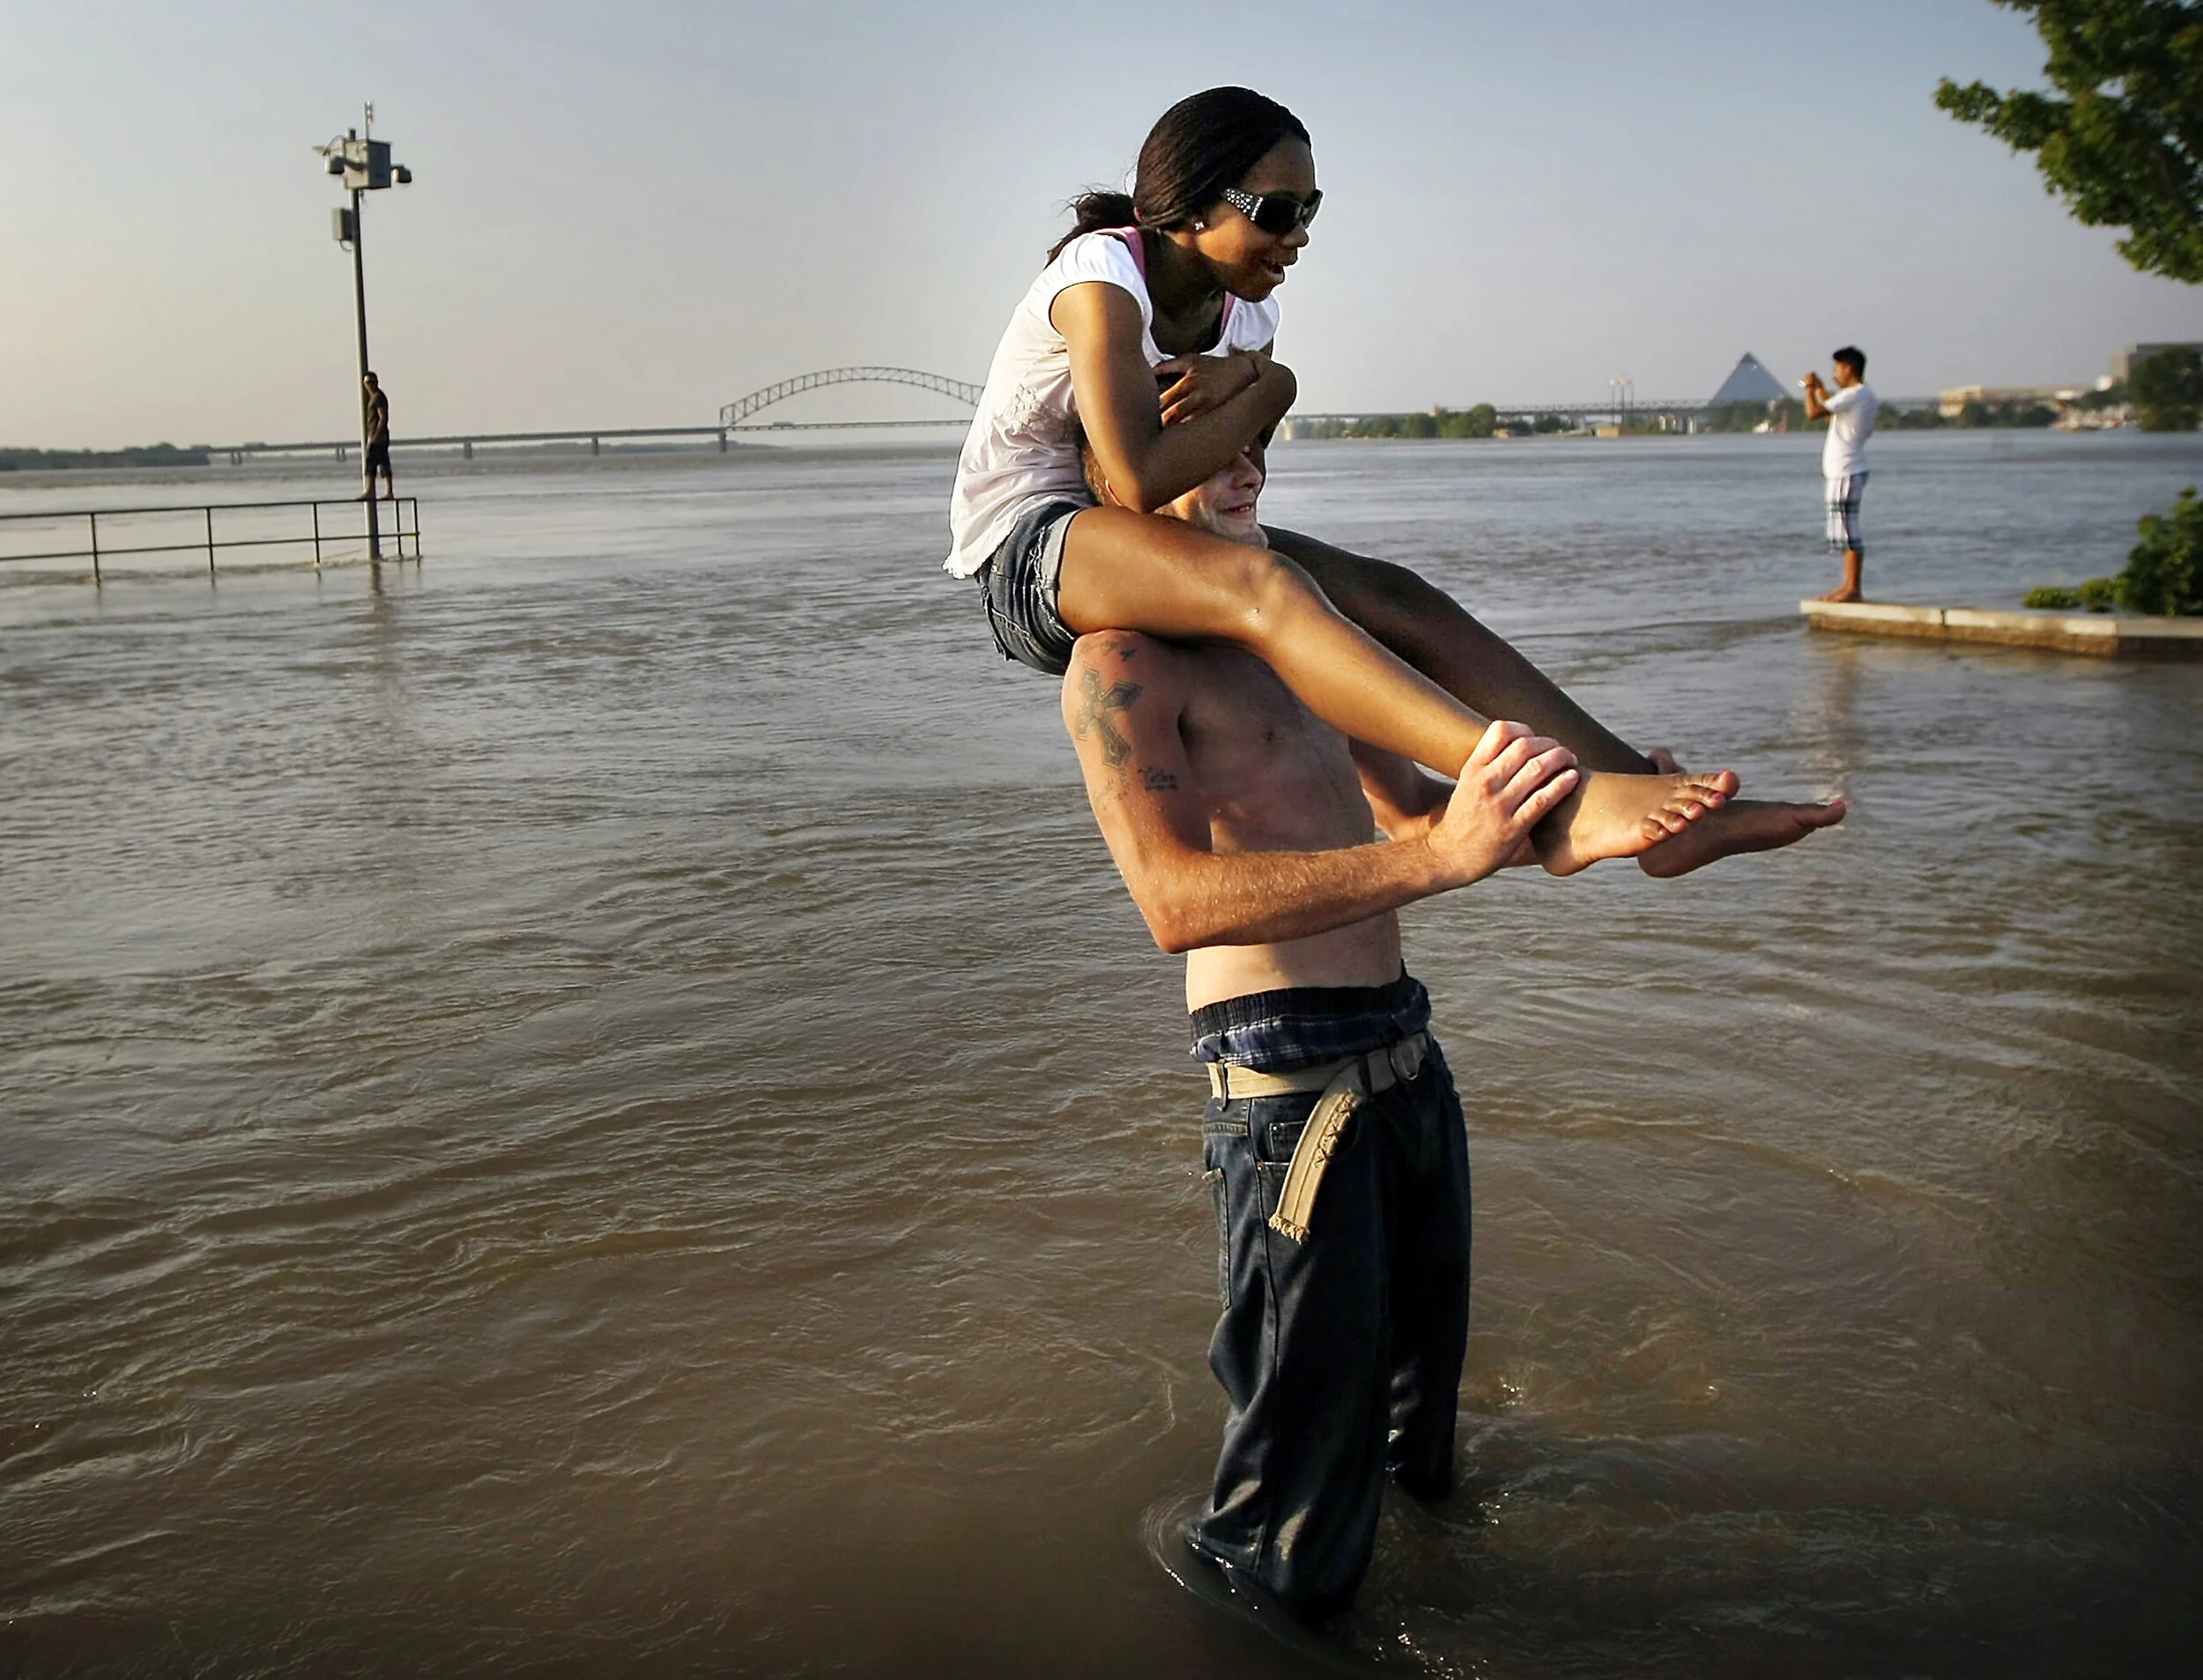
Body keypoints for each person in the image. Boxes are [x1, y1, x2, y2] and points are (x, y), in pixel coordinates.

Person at [1060, 448, 1836, 1623]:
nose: (1249, 462)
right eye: (1207, 439)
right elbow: (1173, 901)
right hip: (1290, 1094)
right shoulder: (1118, 664)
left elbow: (1427, 816)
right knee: (1288, 1511)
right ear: (1123, 481)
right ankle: (1264, 1637)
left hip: (1406, 1061)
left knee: (1418, 1446)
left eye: (1258, 433)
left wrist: (1580, 825)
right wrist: (1437, 855)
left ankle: (1442, 1600)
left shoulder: (1294, 637)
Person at [952, 85, 1836, 879]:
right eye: (1277, 209)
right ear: (1186, 207)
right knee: (1266, 585)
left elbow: (1236, 459)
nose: (1297, 235)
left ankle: (1638, 791)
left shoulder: (1248, 307)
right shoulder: (1102, 278)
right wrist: (1279, 383)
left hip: (1136, 537)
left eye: (1312, 209)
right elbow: (1144, 475)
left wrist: (1257, 390)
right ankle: (1550, 790)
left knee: (1395, 594)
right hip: (1033, 554)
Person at [1803, 347, 1876, 603]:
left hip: (1847, 469)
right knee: (1843, 531)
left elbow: (1814, 413)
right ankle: (1847, 586)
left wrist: (1809, 389)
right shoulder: (1859, 396)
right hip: (1843, 470)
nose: (1834, 375)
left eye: (1836, 369)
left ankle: (1853, 588)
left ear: (1848, 368)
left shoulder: (1856, 394)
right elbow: (1831, 414)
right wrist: (1821, 390)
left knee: (1848, 530)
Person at [361, 371, 396, 502]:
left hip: (379, 436)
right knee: (384, 463)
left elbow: (383, 417)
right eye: (367, 382)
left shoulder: (378, 397)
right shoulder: (374, 397)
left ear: (377, 382)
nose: (369, 385)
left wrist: (376, 436)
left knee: (371, 462)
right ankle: (389, 491)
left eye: (372, 382)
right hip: (379, 436)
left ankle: (370, 490)